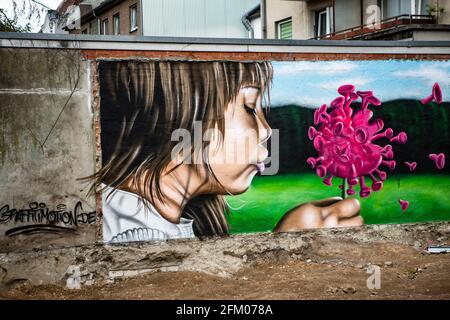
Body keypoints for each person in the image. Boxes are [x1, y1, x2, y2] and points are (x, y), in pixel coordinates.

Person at [92, 60, 362, 243]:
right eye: (249, 107)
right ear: (187, 110)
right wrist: (283, 252)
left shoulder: (150, 221)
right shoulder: (135, 237)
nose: (266, 130)